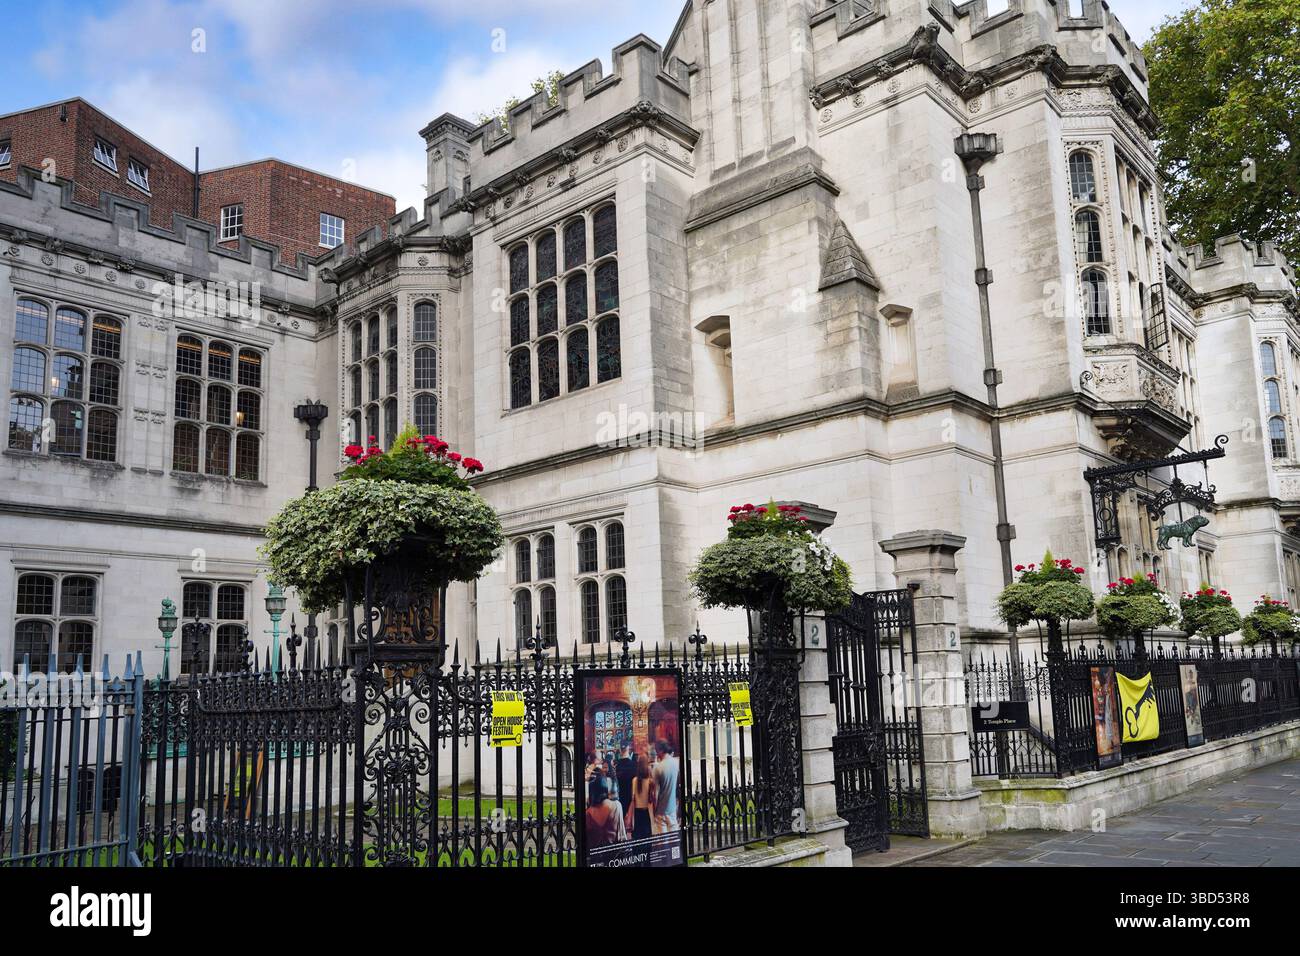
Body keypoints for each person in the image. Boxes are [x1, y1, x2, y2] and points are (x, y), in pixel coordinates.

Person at [584, 780, 627, 848]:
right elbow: (622, 834)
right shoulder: (616, 805)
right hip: (614, 852)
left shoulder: (588, 813)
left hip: (595, 854)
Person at [625, 754, 656, 841]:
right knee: (648, 838)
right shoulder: (650, 781)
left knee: (638, 838)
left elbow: (633, 798)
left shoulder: (635, 780)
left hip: (637, 814)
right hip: (647, 813)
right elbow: (653, 799)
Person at [651, 739, 679, 833]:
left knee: (663, 843)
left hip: (661, 811)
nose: (656, 753)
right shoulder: (676, 763)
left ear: (661, 751)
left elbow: (656, 793)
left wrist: (654, 811)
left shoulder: (658, 768)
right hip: (672, 808)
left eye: (656, 750)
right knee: (674, 840)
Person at [615, 744, 635, 814]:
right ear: (628, 749)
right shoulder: (633, 764)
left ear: (620, 751)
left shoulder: (617, 765)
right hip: (631, 795)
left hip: (621, 795)